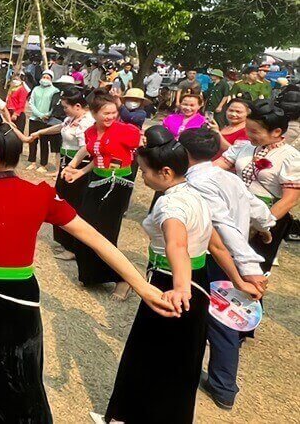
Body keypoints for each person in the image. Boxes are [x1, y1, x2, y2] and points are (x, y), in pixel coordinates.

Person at [0, 105, 176, 423]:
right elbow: (96, 240)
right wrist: (142, 286)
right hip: (23, 299)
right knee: (21, 377)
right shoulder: (41, 195)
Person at [101, 125, 258, 424]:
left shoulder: (170, 204)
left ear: (165, 173)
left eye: (146, 172)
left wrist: (180, 288)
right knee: (183, 360)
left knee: (149, 357)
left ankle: (135, 415)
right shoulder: (197, 195)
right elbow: (217, 246)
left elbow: (178, 246)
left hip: (170, 286)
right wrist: (238, 281)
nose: (143, 178)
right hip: (195, 285)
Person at [179, 127, 273, 411]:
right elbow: (253, 202)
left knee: (220, 321)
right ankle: (220, 383)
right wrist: (265, 224)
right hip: (233, 254)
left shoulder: (197, 182)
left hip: (215, 258)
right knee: (219, 318)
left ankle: (222, 385)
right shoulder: (226, 177)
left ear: (184, 153)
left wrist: (247, 265)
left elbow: (222, 225)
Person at [62, 89, 141, 299]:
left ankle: (123, 279)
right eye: (106, 113)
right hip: (96, 180)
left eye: (114, 112)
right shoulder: (89, 132)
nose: (111, 117)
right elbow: (95, 155)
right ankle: (92, 276)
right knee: (85, 227)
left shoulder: (126, 130)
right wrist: (79, 170)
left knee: (106, 232)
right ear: (94, 113)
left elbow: (141, 148)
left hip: (117, 185)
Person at [215, 100, 300, 272]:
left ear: (276, 132)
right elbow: (216, 166)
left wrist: (261, 224)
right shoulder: (244, 147)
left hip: (268, 219)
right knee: (222, 267)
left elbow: (289, 200)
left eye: (254, 131)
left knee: (252, 271)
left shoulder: (290, 157)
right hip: (234, 213)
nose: (248, 134)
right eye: (247, 129)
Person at [10, 88, 95, 260]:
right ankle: (64, 241)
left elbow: (86, 148)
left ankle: (73, 246)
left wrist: (73, 167)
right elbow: (61, 127)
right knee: (62, 200)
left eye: (66, 107)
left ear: (77, 106)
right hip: (66, 164)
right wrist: (40, 132)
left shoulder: (88, 123)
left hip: (77, 168)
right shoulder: (72, 118)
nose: (64, 111)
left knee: (73, 205)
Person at [25, 71, 60, 173]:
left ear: (51, 79)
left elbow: (55, 105)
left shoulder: (55, 91)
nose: (45, 79)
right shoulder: (36, 89)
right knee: (32, 141)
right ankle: (32, 162)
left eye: (47, 77)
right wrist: (40, 115)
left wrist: (47, 115)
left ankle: (43, 164)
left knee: (44, 143)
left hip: (47, 120)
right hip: (34, 118)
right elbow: (31, 103)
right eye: (43, 76)